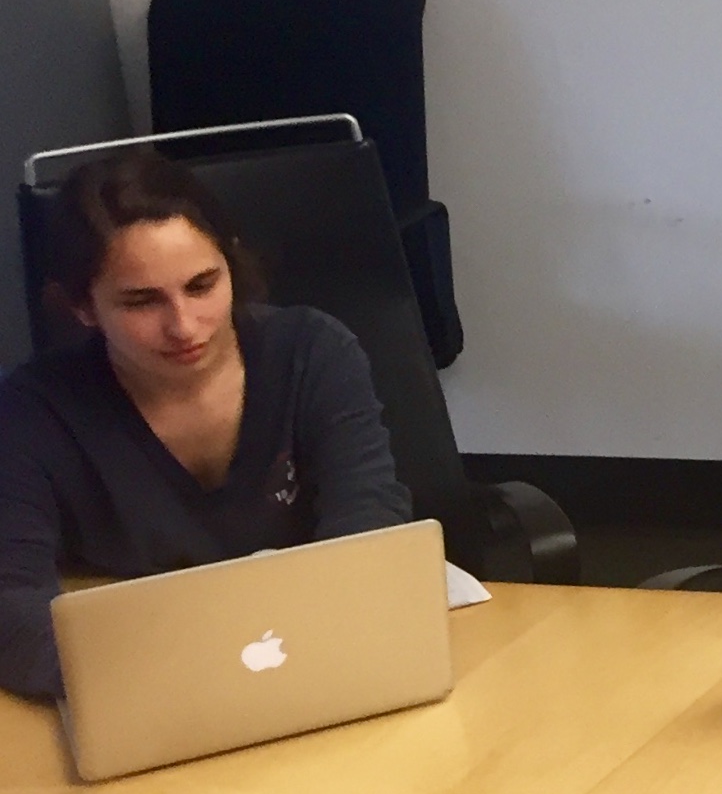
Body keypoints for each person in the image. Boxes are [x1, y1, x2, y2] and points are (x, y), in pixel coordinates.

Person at [0, 149, 413, 700]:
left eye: (201, 285)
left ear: (231, 266)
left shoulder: (311, 353)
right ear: (83, 307)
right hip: (144, 687)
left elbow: (368, 528)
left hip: (312, 668)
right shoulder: (34, 412)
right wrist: (148, 691)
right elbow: (11, 600)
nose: (184, 325)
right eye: (142, 302)